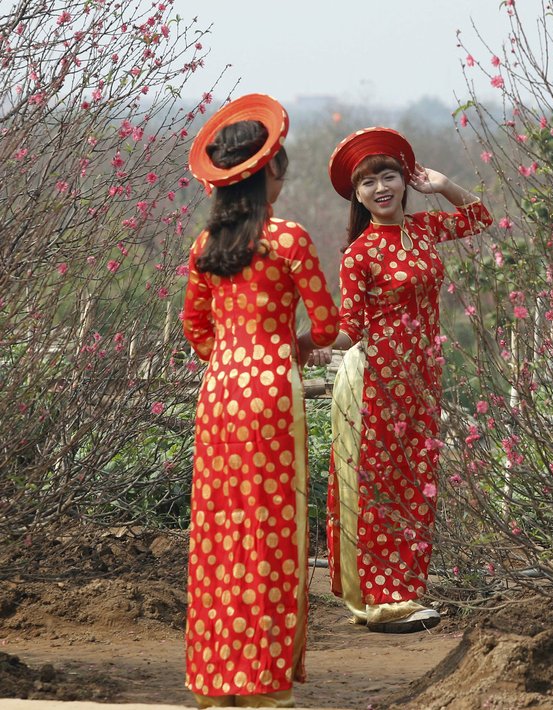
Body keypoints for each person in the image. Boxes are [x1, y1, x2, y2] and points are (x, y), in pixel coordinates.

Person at [182, 94, 339, 707]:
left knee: (218, 532)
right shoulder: (290, 240)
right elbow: (326, 325)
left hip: (220, 394)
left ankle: (215, 680)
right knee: (271, 532)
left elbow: (195, 329)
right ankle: (264, 682)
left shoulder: (206, 247)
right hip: (272, 391)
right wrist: (287, 348)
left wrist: (229, 360)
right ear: (268, 172)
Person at [309, 126, 492, 633]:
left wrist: (445, 184)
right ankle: (383, 601)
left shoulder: (424, 228)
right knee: (380, 487)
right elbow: (349, 329)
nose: (381, 188)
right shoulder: (360, 254)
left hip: (422, 380)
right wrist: (302, 342)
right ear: (357, 194)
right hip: (376, 382)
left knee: (417, 484)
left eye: (388, 176)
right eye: (368, 183)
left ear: (404, 181)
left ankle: (408, 592)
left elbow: (481, 217)